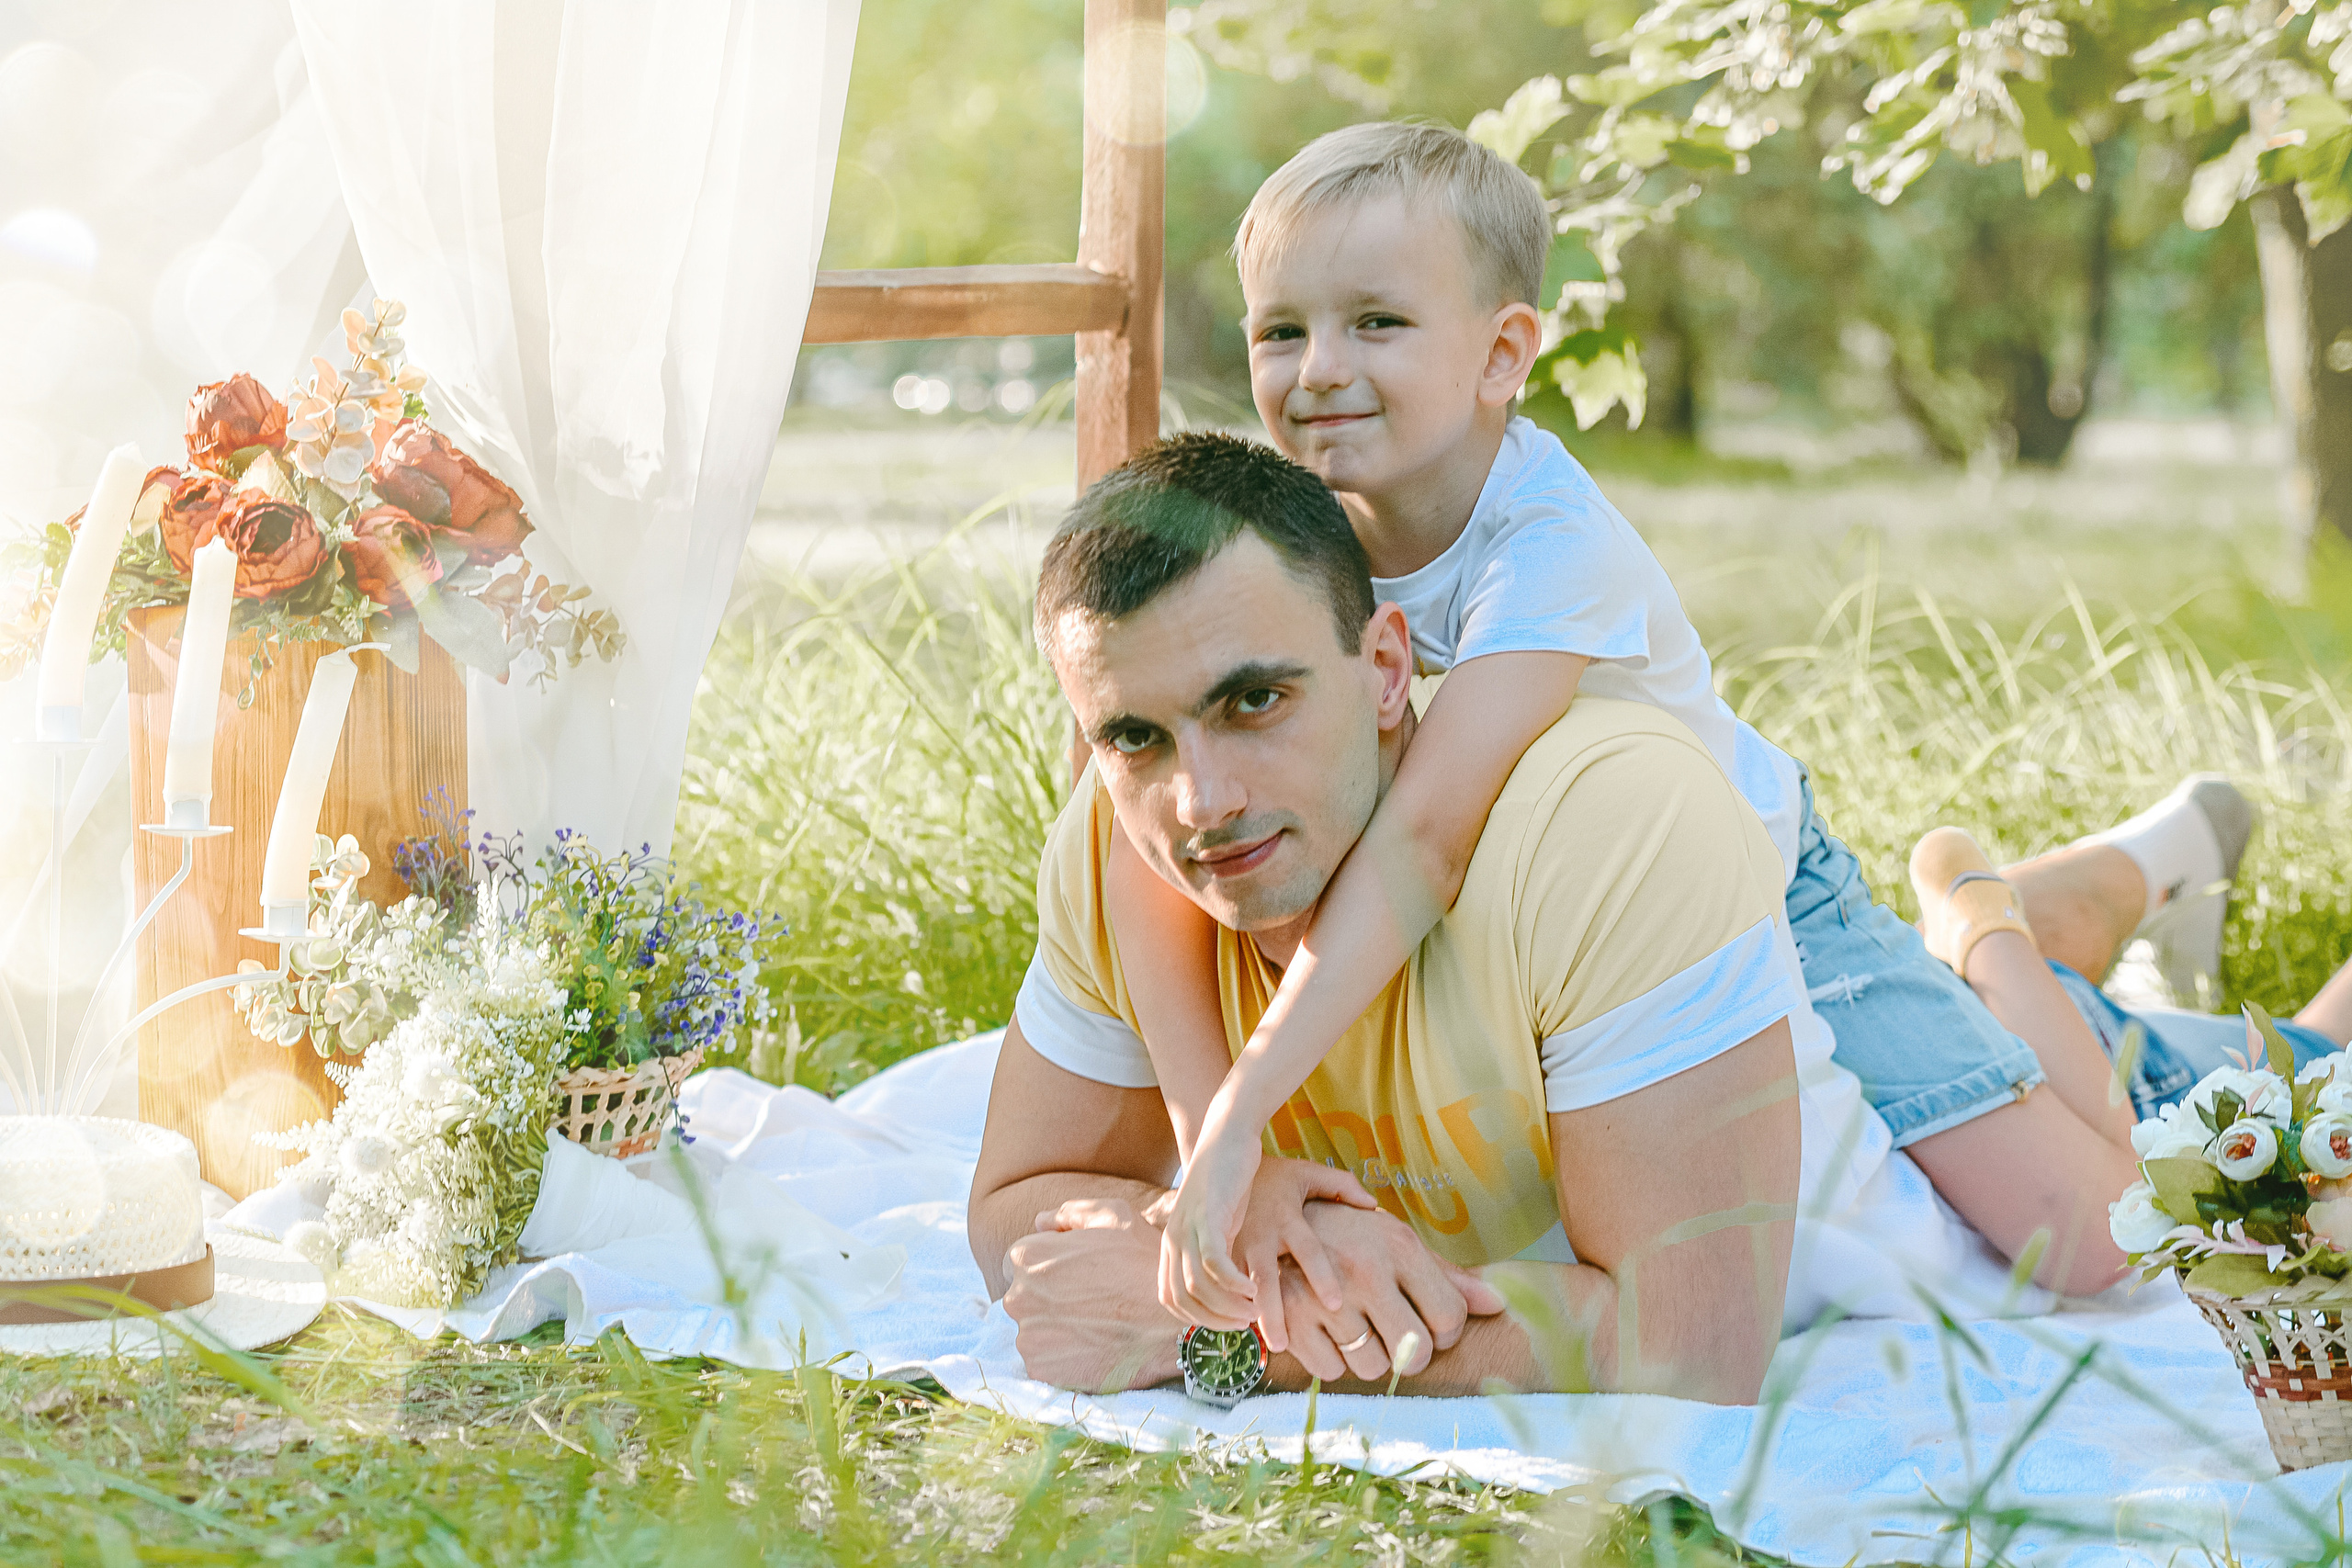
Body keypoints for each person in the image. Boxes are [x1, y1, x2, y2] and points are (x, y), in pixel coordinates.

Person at [1108, 121, 2260, 1341]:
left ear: (1504, 354)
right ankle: (2069, 932)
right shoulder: (1287, 545)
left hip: (1765, 903)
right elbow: (1129, 841)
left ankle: (1983, 921)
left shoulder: (1548, 546)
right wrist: (1209, 1138)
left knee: (2097, 1241)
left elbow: (1429, 835)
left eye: (1376, 323)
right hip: (1551, 937)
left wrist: (1243, 1117)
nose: (1318, 368)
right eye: (1280, 329)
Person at [970, 433, 2062, 1405]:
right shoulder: (1126, 839)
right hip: (1706, 969)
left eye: (1255, 701)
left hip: (1927, 1164)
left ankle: (1991, 920)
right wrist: (1237, 1233)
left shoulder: (1607, 827)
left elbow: (1695, 1341)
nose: (1202, 801)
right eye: (1133, 738)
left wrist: (1218, 1327)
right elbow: (1012, 1207)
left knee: (2103, 1226)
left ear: (1388, 667)